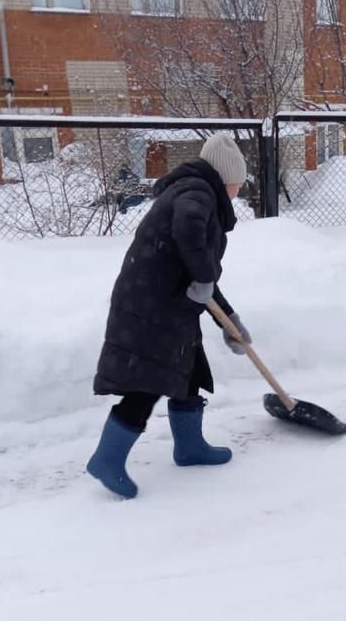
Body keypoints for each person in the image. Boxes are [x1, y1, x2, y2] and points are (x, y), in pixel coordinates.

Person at [87, 133, 252, 499]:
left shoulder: (192, 189)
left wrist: (229, 319)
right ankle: (107, 459)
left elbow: (199, 270)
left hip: (164, 302)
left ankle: (190, 448)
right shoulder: (198, 193)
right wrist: (205, 279)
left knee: (189, 369)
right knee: (149, 383)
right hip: (154, 307)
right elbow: (191, 235)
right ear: (226, 180)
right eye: (238, 184)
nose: (238, 191)